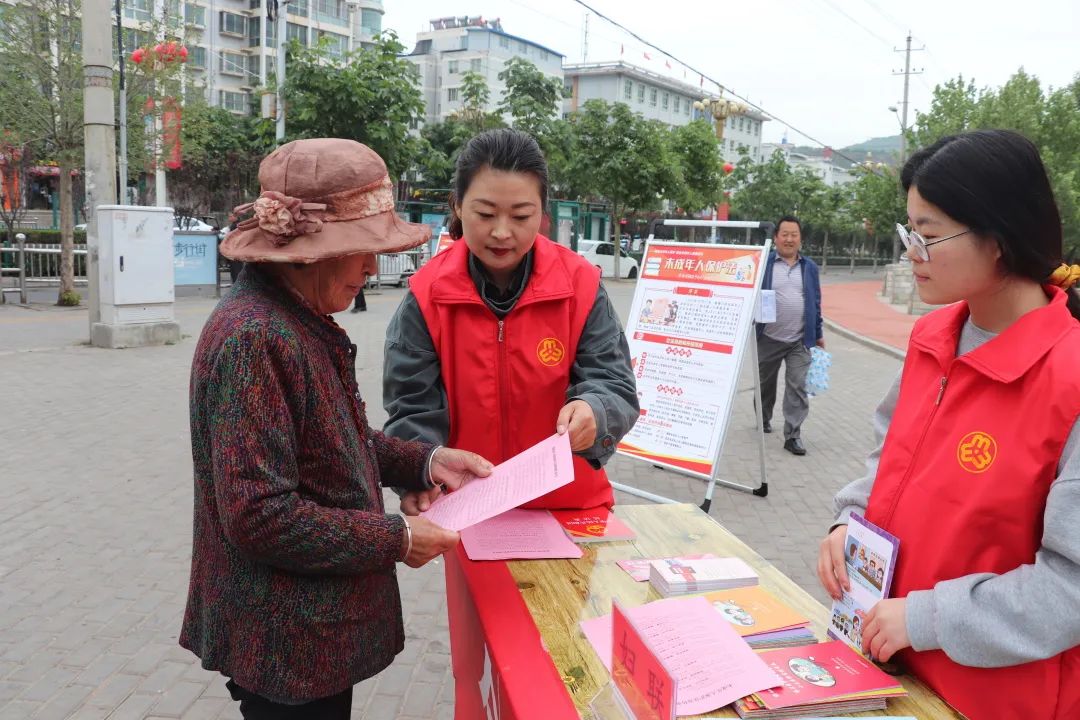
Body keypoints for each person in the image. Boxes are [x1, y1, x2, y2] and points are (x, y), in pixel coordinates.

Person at [181, 138, 494, 720]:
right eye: (361, 250)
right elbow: (260, 516)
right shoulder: (257, 338)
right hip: (284, 640)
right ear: (307, 254)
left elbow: (332, 442)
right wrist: (397, 538)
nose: (373, 267)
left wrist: (425, 461)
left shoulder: (295, 320)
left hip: (305, 634)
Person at [817, 129, 1080, 720]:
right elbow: (888, 457)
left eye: (929, 235)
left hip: (996, 699)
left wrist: (924, 618)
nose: (911, 250)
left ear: (999, 238)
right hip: (889, 670)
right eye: (909, 230)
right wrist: (848, 523)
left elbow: (1070, 588)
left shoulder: (1071, 378)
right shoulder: (931, 338)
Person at [382, 128, 639, 513]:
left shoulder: (580, 285)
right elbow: (410, 407)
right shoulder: (427, 295)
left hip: (571, 509)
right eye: (485, 214)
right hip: (468, 509)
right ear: (457, 206)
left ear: (542, 214)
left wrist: (596, 411)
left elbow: (615, 384)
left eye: (521, 216)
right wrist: (421, 469)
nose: (501, 232)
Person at [756, 215, 824, 455]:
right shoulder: (764, 264)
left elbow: (815, 301)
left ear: (800, 239)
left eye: (794, 235)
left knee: (797, 386)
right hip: (767, 338)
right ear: (776, 238)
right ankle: (763, 417)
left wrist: (818, 334)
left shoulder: (809, 268)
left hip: (799, 340)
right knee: (765, 384)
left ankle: (792, 435)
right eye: (784, 234)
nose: (789, 239)